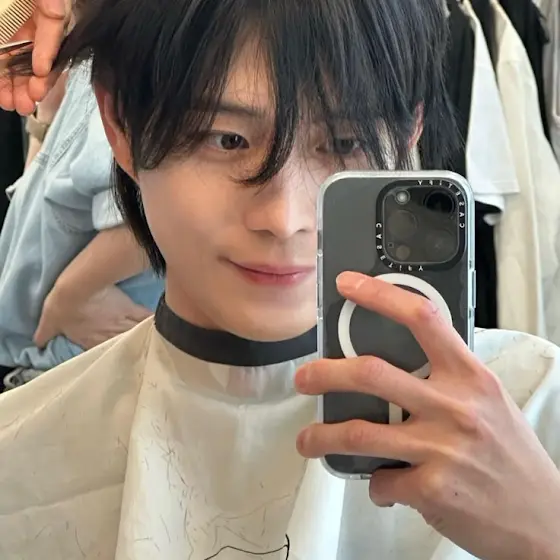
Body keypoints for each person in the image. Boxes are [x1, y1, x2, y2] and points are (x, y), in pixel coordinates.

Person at [1, 1, 560, 559]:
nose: (284, 217)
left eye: (343, 143)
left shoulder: (535, 403)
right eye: (227, 139)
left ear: (410, 131)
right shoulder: (20, 458)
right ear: (120, 125)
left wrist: (543, 530)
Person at [0, 50, 164, 388]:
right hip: (46, 353)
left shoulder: (134, 57)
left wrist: (69, 298)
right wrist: (43, 121)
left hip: (71, 363)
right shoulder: (91, 60)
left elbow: (154, 214)